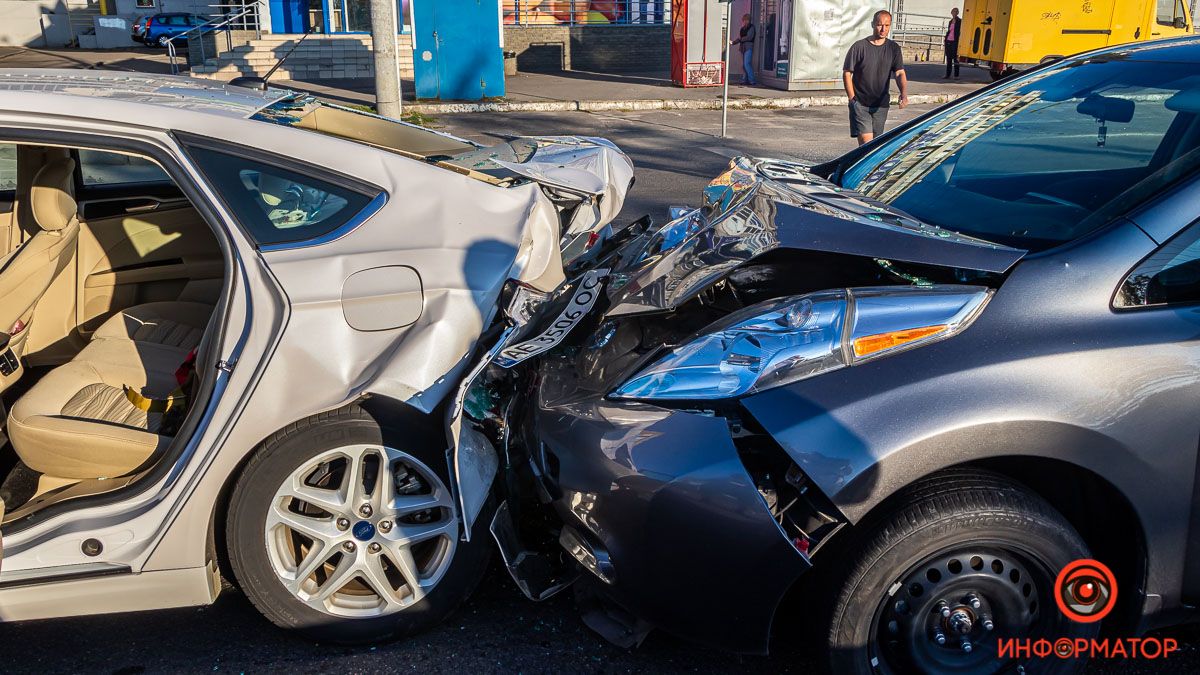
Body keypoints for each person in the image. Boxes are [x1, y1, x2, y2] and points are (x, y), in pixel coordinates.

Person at [843, 9, 909, 146]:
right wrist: (852, 99)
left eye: (887, 25)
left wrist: (904, 93)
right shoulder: (859, 47)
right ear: (873, 24)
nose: (883, 29)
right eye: (879, 25)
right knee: (866, 146)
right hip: (860, 104)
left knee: (876, 147)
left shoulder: (893, 48)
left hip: (881, 105)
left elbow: (899, 73)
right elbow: (847, 73)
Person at [731, 14, 757, 86]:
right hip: (743, 47)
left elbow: (749, 37)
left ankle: (752, 80)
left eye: (746, 20)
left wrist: (739, 40)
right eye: (744, 20)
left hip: (748, 47)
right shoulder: (742, 29)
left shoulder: (751, 27)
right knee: (744, 65)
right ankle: (745, 80)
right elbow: (740, 38)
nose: (745, 21)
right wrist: (733, 42)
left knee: (746, 64)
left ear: (749, 20)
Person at [944, 7, 962, 78]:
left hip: (955, 41)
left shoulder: (960, 21)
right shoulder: (950, 21)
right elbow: (949, 31)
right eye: (953, 12)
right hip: (949, 41)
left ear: (957, 13)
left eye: (955, 12)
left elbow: (960, 32)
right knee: (948, 58)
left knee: (955, 59)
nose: (954, 13)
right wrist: (945, 39)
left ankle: (956, 75)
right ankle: (947, 75)